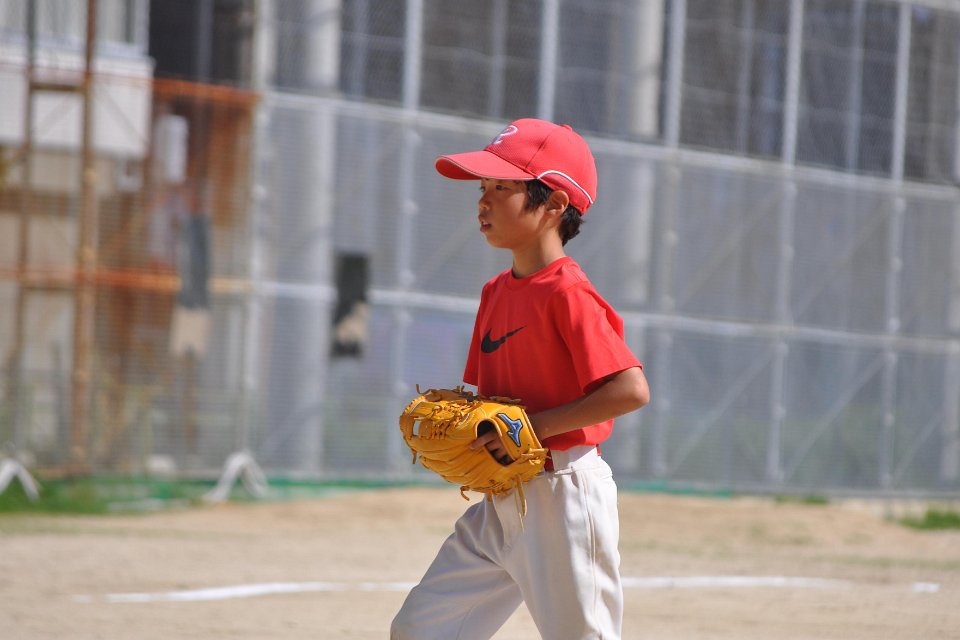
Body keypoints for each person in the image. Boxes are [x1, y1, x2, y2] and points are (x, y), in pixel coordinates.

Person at [391, 118, 650, 640]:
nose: (483, 202)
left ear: (554, 204)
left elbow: (630, 390)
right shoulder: (496, 292)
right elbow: (494, 401)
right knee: (420, 630)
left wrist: (530, 428)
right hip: (504, 492)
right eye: (482, 188)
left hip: (563, 496)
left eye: (501, 188)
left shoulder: (568, 293)